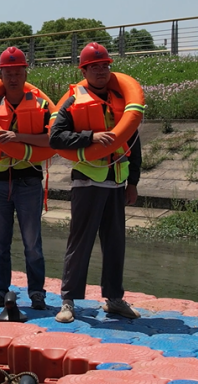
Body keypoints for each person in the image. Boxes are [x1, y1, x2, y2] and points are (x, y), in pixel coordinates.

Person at [48, 42, 143, 324]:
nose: (100, 71)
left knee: (115, 244)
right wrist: (90, 137)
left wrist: (133, 182)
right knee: (80, 243)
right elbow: (55, 137)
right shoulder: (72, 101)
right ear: (84, 71)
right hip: (87, 181)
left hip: (116, 181)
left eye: (104, 66)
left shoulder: (123, 100)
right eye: (94, 67)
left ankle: (114, 299)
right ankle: (68, 300)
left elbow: (134, 142)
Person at [0, 47, 53, 311]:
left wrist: (18, 138)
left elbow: (52, 140)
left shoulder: (41, 106)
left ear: (25, 74)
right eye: (8, 73)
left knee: (32, 244)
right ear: (0, 75)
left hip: (29, 181)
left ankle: (37, 293)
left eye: (18, 73)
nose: (13, 78)